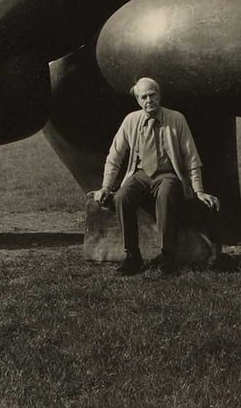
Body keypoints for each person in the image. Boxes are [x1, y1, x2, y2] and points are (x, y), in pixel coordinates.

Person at [93, 77, 230, 275]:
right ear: (138, 101)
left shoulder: (176, 119)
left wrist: (199, 190)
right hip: (140, 175)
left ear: (159, 95)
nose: (148, 100)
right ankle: (132, 256)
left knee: (166, 195)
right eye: (143, 97)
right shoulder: (131, 120)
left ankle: (168, 257)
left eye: (152, 95)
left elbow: (192, 157)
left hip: (167, 174)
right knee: (122, 196)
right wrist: (106, 187)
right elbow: (115, 156)